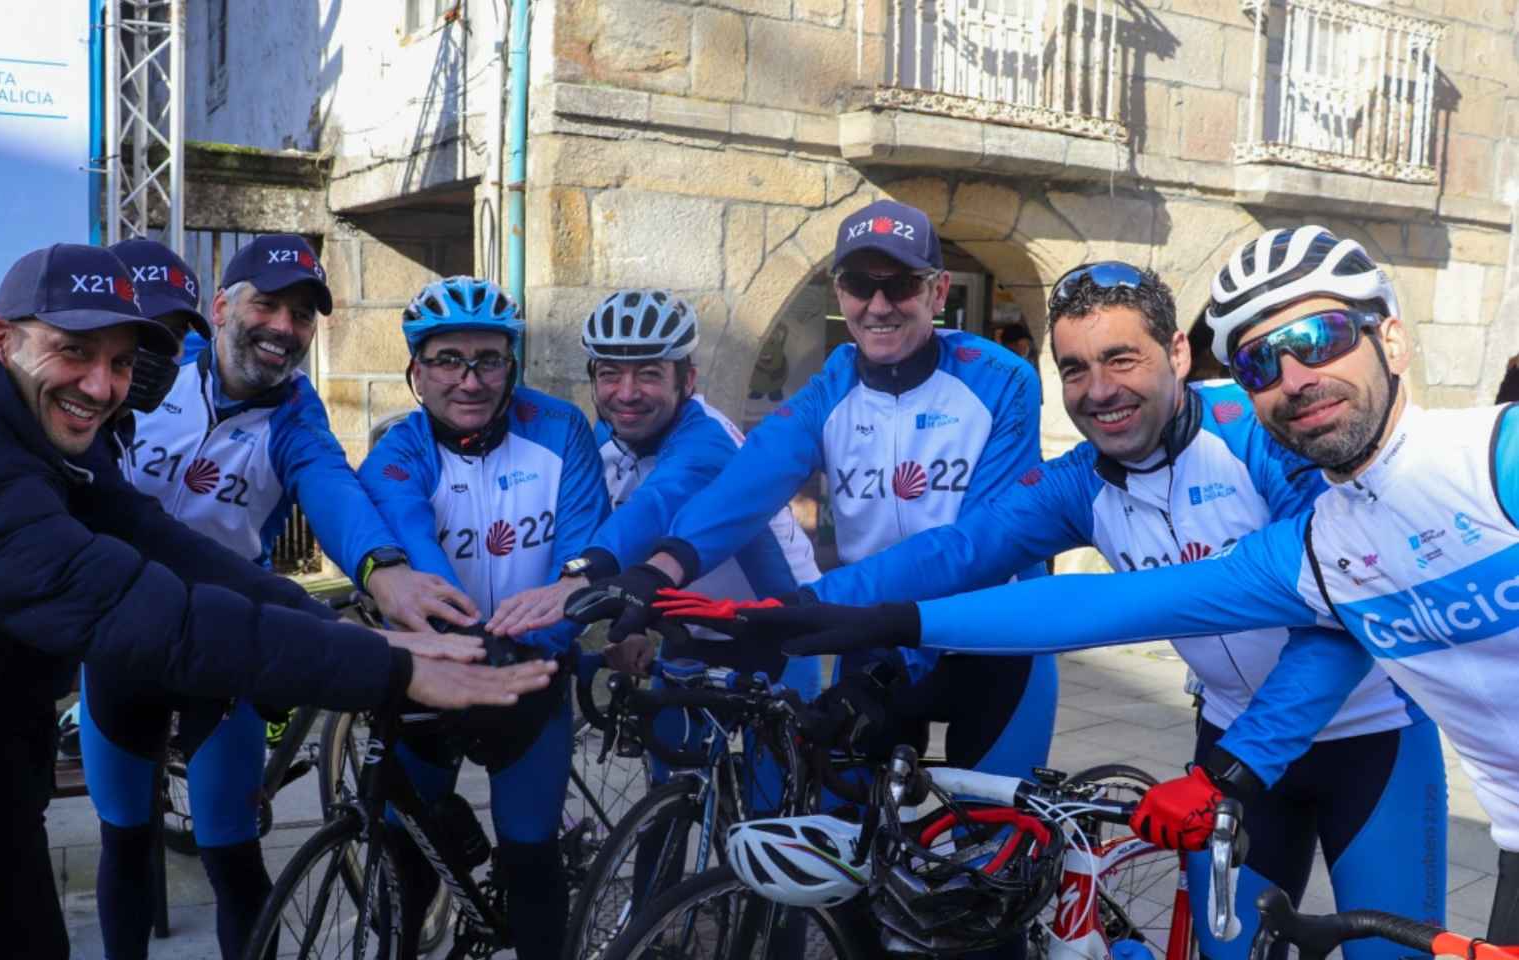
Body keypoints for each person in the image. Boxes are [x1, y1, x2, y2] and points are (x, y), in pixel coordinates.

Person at [714, 225, 1519, 941]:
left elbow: (1335, 623)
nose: (1098, 390)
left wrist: (1236, 766)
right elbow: (968, 551)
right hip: (1230, 740)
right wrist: (821, 608)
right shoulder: (1078, 483)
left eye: (1121, 358)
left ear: (1176, 355)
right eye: (1075, 368)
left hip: (1366, 741)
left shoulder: (1263, 438)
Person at [0, 243, 555, 959]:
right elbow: (145, 610)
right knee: (110, 845)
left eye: (122, 362)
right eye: (75, 351)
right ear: (0, 338)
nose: (103, 386)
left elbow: (158, 533)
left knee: (18, 923)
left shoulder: (9, 409)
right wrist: (386, 667)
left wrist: (370, 602)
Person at [568, 199, 1058, 786]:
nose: (878, 306)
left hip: (993, 640)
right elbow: (746, 485)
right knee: (837, 844)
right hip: (877, 638)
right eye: (857, 284)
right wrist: (656, 573)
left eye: (900, 284)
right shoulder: (833, 386)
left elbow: (976, 549)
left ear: (938, 290)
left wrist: (809, 602)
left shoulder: (1001, 379)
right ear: (839, 292)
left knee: (992, 845)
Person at [77, 234, 435, 960]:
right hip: (119, 633)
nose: (283, 329)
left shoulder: (296, 419)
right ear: (221, 307)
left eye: (302, 317)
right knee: (124, 841)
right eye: (267, 305)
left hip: (220, 642)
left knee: (231, 853)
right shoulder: (155, 369)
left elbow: (332, 490)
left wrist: (385, 572)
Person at [486, 288, 823, 808]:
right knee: (666, 802)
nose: (626, 392)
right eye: (610, 374)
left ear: (686, 379)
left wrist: (582, 576)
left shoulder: (708, 441)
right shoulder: (606, 438)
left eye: (648, 373)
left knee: (770, 819)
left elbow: (657, 507)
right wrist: (639, 624)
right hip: (688, 634)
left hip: (777, 638)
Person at [355, 276, 610, 960]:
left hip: (530, 678)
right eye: (447, 360)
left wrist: (530, 651)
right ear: (416, 370)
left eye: (488, 360)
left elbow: (578, 556)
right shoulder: (397, 453)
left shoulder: (560, 429)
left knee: (531, 856)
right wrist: (466, 648)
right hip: (434, 675)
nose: (469, 380)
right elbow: (419, 559)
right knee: (408, 858)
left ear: (511, 366)